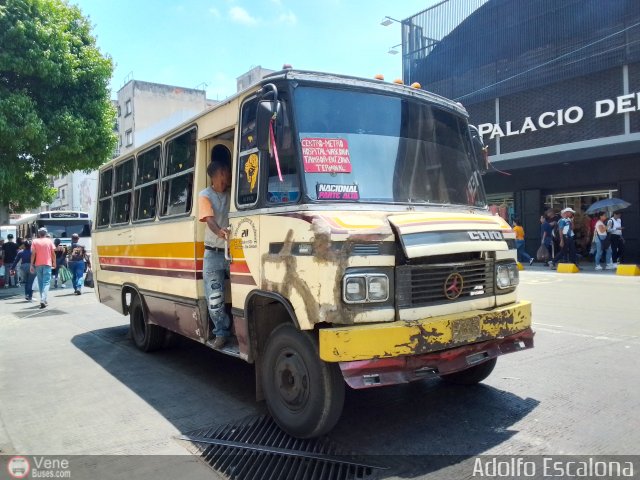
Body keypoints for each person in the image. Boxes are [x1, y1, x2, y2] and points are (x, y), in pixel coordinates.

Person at [198, 146, 232, 349]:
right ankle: (221, 332)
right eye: (227, 172)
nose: (229, 176)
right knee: (215, 298)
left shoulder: (232, 194)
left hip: (231, 252)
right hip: (213, 253)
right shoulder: (205, 195)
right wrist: (220, 231)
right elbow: (209, 220)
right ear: (220, 174)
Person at [30, 227, 56, 309]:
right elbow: (53, 253)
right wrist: (54, 262)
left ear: (38, 234)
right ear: (45, 233)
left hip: (38, 264)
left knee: (41, 283)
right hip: (47, 264)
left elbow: (33, 254)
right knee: (46, 282)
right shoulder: (49, 241)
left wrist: (31, 264)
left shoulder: (34, 241)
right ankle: (43, 299)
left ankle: (43, 299)